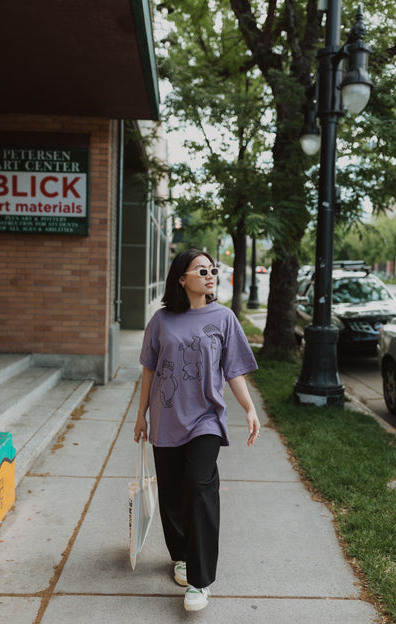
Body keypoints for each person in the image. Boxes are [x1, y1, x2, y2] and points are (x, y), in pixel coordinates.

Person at [134, 248, 260, 612]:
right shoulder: (161, 321)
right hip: (166, 418)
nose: (209, 275)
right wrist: (140, 416)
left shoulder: (224, 318)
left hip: (205, 419)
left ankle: (200, 582)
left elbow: (233, 370)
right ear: (181, 278)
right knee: (173, 494)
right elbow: (148, 370)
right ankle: (182, 555)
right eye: (200, 269)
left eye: (212, 269)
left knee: (200, 489)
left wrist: (249, 409)